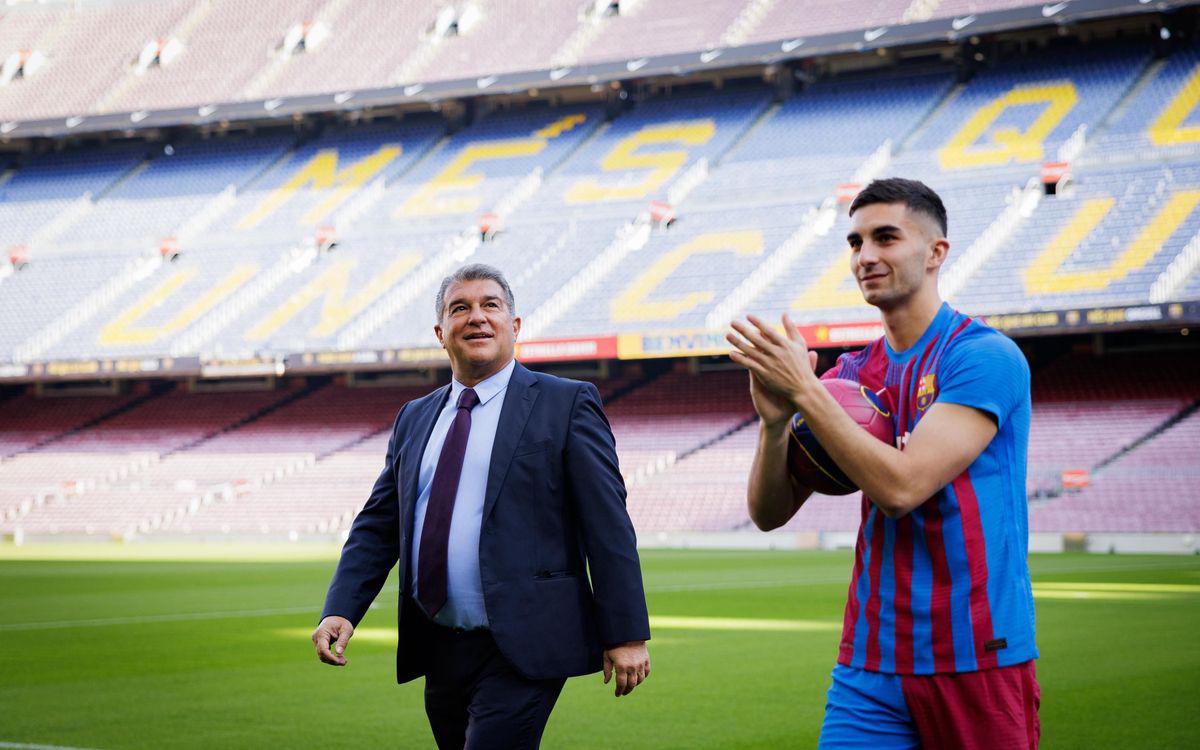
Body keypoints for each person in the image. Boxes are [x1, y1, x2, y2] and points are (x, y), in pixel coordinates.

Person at [727, 178, 1039, 749]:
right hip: (870, 660)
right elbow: (769, 514)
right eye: (854, 242)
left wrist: (804, 389)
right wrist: (774, 425)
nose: (865, 256)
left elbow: (902, 489)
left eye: (886, 237)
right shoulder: (849, 377)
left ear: (936, 252)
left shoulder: (982, 357)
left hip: (974, 652)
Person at [312, 263, 651, 749]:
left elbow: (609, 525)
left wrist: (626, 632)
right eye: (460, 308)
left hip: (525, 643)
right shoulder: (415, 416)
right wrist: (342, 607)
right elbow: (379, 524)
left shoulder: (567, 403)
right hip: (440, 642)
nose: (477, 317)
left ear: (514, 326)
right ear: (440, 332)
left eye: (491, 305)